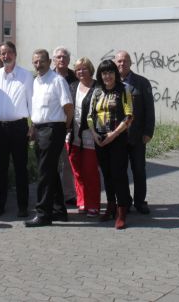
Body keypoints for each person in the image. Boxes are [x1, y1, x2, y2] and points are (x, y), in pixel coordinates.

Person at [25, 49, 73, 227]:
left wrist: (64, 128)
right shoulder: (35, 82)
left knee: (44, 173)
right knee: (50, 171)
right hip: (39, 129)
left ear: (49, 62)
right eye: (35, 62)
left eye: (41, 61)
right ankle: (59, 210)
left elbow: (68, 107)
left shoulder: (57, 80)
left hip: (53, 130)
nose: (38, 65)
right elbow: (36, 110)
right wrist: (32, 128)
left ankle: (43, 214)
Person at [0, 41, 33, 218]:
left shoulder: (26, 75)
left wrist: (32, 125)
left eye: (9, 53)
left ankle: (23, 206)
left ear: (15, 54)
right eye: (2, 54)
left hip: (19, 127)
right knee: (0, 168)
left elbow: (32, 101)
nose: (6, 56)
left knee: (21, 167)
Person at [91, 59, 134, 229]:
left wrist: (114, 134)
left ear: (115, 74)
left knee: (119, 175)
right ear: (100, 75)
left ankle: (122, 210)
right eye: (104, 73)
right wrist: (95, 135)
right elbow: (90, 116)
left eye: (110, 72)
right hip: (100, 140)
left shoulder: (124, 90)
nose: (107, 76)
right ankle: (110, 205)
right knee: (107, 174)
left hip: (117, 139)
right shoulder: (97, 92)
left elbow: (129, 116)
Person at [115, 50, 155, 214]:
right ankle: (124, 201)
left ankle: (140, 201)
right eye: (118, 61)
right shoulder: (111, 83)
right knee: (120, 170)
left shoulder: (142, 82)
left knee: (139, 169)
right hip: (118, 136)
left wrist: (148, 132)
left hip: (137, 136)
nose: (121, 64)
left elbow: (149, 109)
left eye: (124, 61)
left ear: (131, 63)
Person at [67, 57, 101, 217]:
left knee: (90, 172)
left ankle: (93, 204)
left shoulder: (98, 88)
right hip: (73, 136)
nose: (81, 71)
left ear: (90, 70)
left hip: (90, 137)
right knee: (77, 171)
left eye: (84, 68)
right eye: (78, 69)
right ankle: (82, 201)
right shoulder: (72, 86)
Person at [52, 46, 77, 207]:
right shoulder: (47, 76)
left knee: (68, 162)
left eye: (64, 57)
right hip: (52, 125)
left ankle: (68, 194)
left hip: (71, 125)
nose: (62, 59)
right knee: (53, 162)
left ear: (68, 60)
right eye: (59, 57)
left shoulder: (75, 77)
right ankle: (54, 195)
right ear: (54, 60)